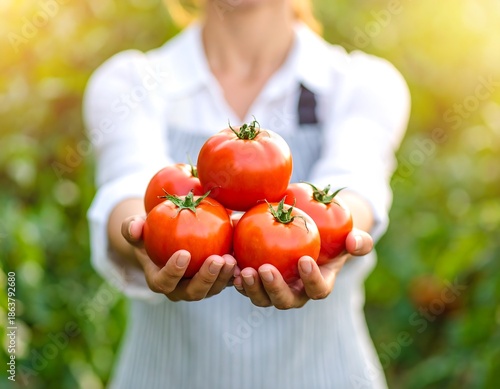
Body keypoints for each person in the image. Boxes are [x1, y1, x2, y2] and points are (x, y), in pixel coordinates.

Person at [83, 0, 410, 387]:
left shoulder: (362, 83)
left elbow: (355, 186)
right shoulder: (131, 83)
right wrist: (145, 239)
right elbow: (128, 195)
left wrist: (333, 235)